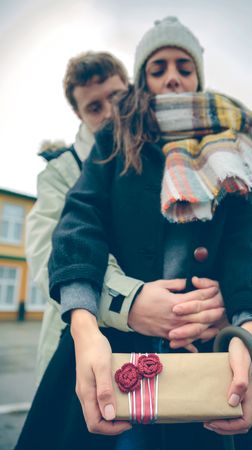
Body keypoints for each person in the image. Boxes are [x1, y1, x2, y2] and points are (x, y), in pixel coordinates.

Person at [17, 17, 252, 450]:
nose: (172, 76)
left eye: (183, 66)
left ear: (197, 74)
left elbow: (245, 247)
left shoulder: (230, 150)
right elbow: (77, 228)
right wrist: (86, 330)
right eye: (157, 69)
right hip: (114, 347)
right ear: (143, 81)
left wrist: (243, 328)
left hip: (204, 357)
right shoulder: (114, 143)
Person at [26, 50, 226, 385]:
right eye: (94, 107)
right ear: (77, 113)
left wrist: (214, 301)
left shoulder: (159, 154)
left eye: (116, 97)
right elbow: (47, 253)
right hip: (84, 340)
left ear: (132, 91)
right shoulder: (61, 173)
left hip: (167, 341)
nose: (109, 112)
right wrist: (129, 303)